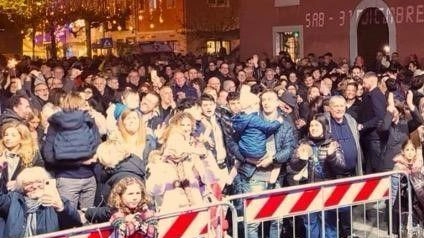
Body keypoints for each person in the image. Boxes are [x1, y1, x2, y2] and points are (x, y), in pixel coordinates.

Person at [288, 113, 346, 238]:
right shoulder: (303, 143)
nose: (313, 128)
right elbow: (293, 166)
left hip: (328, 190)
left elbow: (341, 167)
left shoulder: (332, 143)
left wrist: (331, 156)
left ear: (324, 127)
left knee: (329, 224)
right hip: (308, 190)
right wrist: (301, 160)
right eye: (311, 125)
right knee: (310, 223)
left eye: (317, 125)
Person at [42, 92, 101, 210]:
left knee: (82, 219)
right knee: (76, 220)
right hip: (70, 179)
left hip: (84, 178)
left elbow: (98, 147)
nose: (88, 107)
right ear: (77, 106)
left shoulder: (89, 121)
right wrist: (81, 162)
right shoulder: (57, 125)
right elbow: (48, 157)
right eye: (85, 104)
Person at [0, 167, 81, 237]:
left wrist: (61, 207)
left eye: (38, 182)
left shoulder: (56, 200)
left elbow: (75, 222)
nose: (34, 186)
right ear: (22, 187)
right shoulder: (13, 200)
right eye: (28, 183)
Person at [0, 122, 44, 193]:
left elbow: (40, 175)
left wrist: (20, 183)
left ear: (22, 138)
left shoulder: (32, 155)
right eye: (6, 135)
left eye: (13, 135)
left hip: (22, 198)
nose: (8, 138)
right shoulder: (1, 154)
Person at [358, 72, 387, 173]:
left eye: (364, 82)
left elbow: (380, 116)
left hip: (374, 138)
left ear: (371, 80)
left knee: (375, 169)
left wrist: (363, 126)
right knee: (370, 169)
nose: (362, 84)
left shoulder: (376, 95)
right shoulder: (370, 94)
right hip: (370, 137)